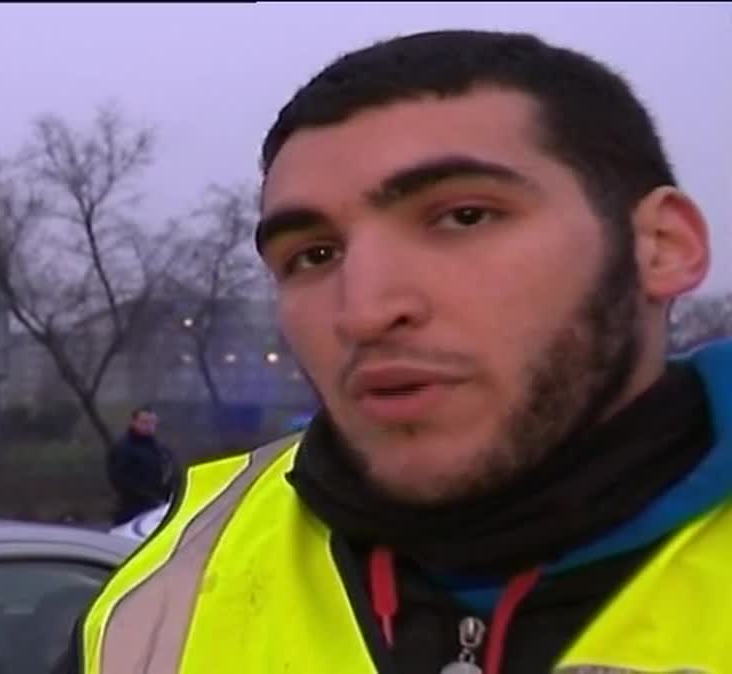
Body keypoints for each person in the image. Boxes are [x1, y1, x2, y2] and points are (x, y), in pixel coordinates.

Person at [61, 29, 732, 674]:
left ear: (661, 247)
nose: (364, 311)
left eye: (464, 216)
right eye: (313, 255)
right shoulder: (167, 595)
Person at [105, 406, 176, 525]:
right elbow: (120, 479)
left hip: (159, 507)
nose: (149, 426)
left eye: (152, 423)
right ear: (134, 422)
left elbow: (169, 473)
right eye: (144, 422)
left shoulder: (160, 449)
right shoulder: (123, 448)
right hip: (132, 510)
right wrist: (146, 497)